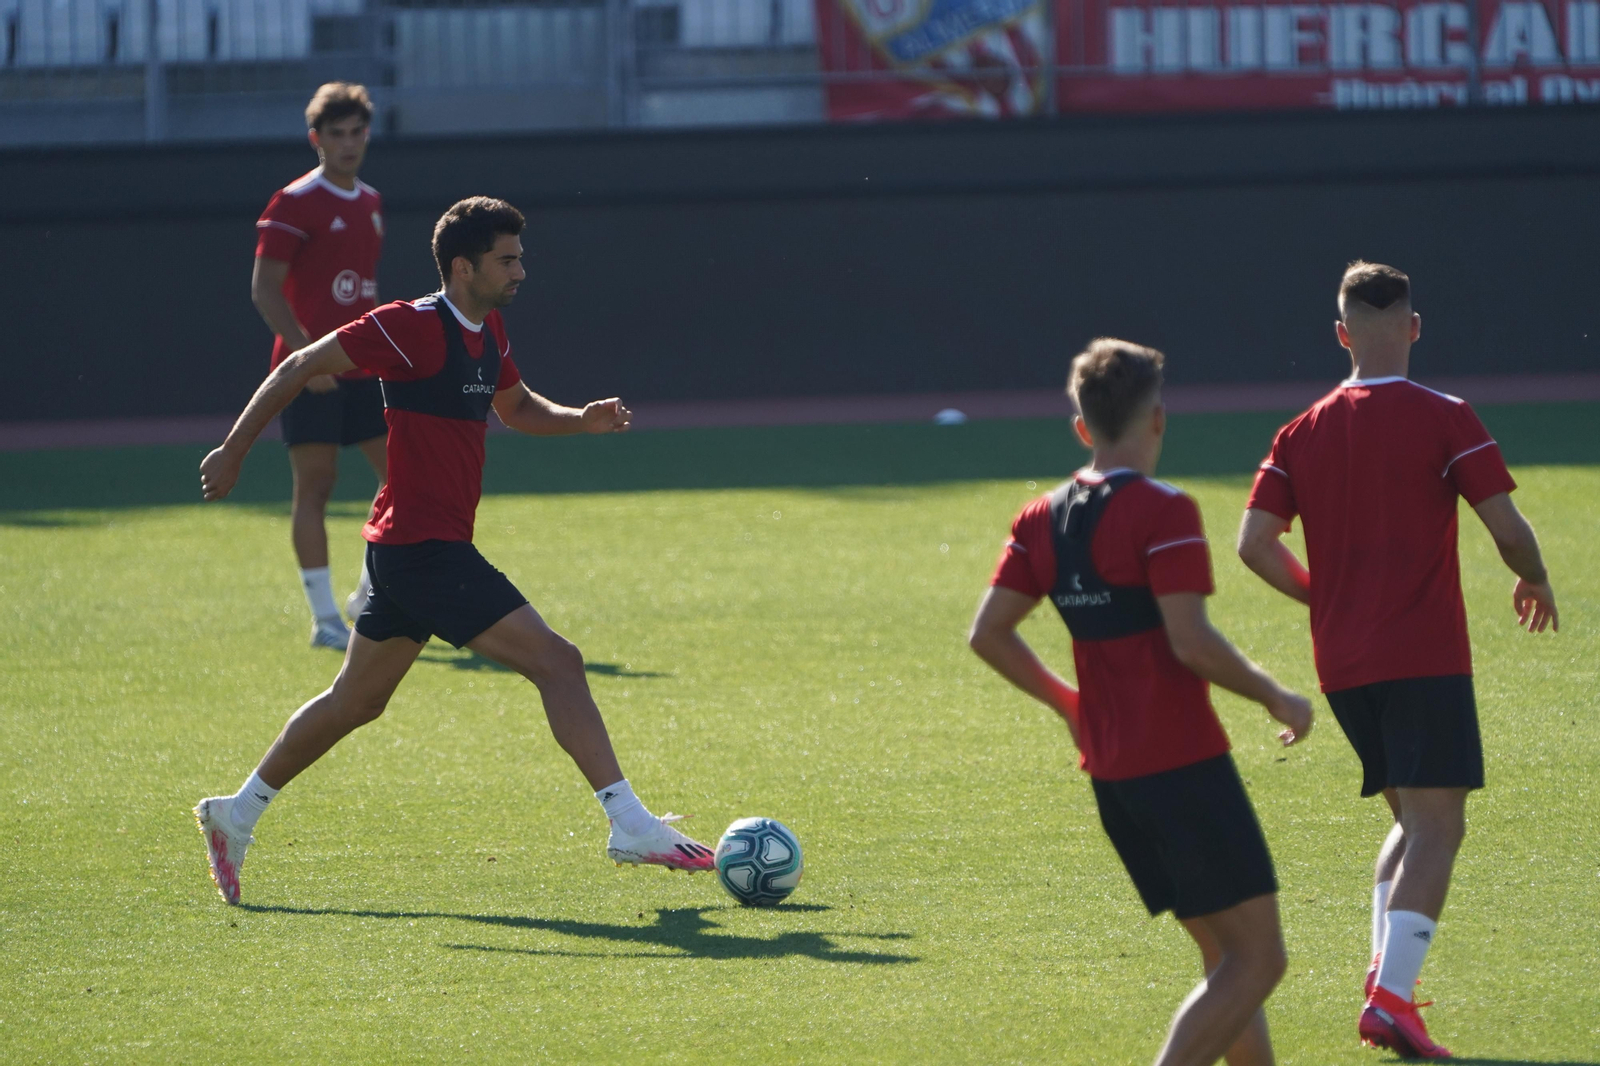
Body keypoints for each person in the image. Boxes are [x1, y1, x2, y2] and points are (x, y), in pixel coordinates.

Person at [194, 197, 715, 906]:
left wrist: (581, 421)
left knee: (355, 703)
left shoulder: (488, 327)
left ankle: (235, 813)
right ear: (464, 266)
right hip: (424, 552)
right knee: (558, 662)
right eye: (508, 259)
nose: (521, 269)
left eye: (520, 257)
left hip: (408, 548)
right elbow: (301, 364)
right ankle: (629, 822)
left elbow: (518, 407)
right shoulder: (410, 327)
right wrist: (233, 448)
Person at [1237, 261, 1559, 1059]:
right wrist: (1535, 577)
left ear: (1342, 334)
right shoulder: (1443, 415)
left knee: (1411, 821)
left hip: (1344, 663)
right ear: (1414, 327)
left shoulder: (1301, 429)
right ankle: (1391, 998)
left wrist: (1327, 597)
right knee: (1439, 826)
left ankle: (1388, 976)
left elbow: (1253, 545)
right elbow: (1508, 526)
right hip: (1423, 654)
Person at [970, 338, 1314, 1066]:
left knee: (1224, 955)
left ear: (1081, 427)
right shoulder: (1165, 511)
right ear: (1157, 418)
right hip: (1183, 765)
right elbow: (1190, 640)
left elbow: (989, 634)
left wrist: (1071, 704)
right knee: (1260, 961)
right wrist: (1275, 695)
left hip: (1115, 777)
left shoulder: (1042, 518)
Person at [253, 82, 388, 652]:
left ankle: (369, 594)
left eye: (358, 131)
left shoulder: (371, 201)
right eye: (338, 133)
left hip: (364, 368)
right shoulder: (294, 202)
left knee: (403, 479)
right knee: (316, 486)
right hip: (309, 373)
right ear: (317, 139)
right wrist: (309, 357)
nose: (350, 143)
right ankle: (325, 619)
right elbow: (264, 291)